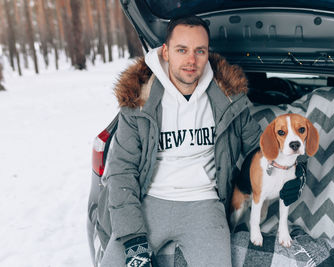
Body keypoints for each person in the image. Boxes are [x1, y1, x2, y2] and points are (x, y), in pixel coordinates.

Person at [96, 15, 305, 267]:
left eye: (199, 51)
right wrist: (133, 239)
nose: (191, 60)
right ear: (165, 52)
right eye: (181, 50)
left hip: (206, 205)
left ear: (208, 53)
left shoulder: (229, 99)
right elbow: (121, 171)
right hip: (149, 202)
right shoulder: (139, 100)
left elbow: (257, 149)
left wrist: (294, 172)